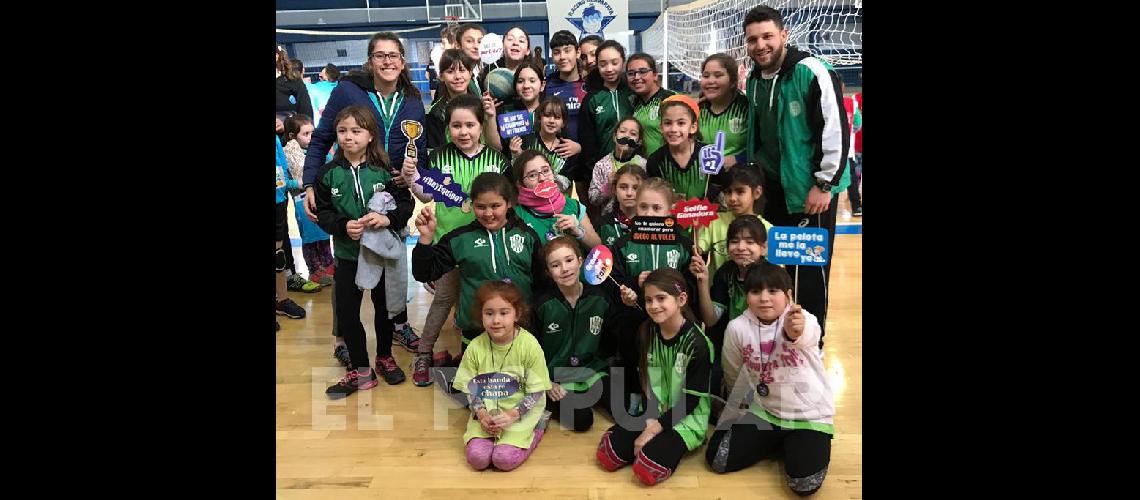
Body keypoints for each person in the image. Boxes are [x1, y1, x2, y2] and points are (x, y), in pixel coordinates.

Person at [301, 32, 427, 353]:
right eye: (380, 55)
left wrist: (413, 178)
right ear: (370, 61)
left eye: (393, 55)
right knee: (347, 267)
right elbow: (320, 139)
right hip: (351, 188)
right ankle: (343, 337)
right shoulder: (347, 90)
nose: (387, 61)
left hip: (393, 193)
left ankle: (397, 325)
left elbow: (419, 151)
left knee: (393, 266)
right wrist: (309, 183)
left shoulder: (412, 99)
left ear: (402, 61)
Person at [743, 5, 851, 347]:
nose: (761, 45)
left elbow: (836, 129)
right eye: (753, 39)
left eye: (767, 37)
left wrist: (824, 184)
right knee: (776, 270)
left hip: (810, 194)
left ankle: (811, 346)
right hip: (772, 192)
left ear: (784, 35)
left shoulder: (812, 71)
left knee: (810, 278)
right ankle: (779, 342)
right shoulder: (756, 80)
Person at [402, 94, 510, 386]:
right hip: (447, 245)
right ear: (448, 127)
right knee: (444, 300)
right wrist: (410, 177)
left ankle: (476, 356)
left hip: (486, 244)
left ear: (480, 126)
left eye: (470, 125)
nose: (464, 132)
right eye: (456, 126)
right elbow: (426, 194)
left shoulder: (496, 159)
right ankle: (424, 353)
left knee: (482, 300)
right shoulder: (438, 156)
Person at [707, 262, 834, 497]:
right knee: (717, 458)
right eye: (756, 292)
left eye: (773, 291)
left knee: (804, 484)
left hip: (808, 416)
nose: (764, 298)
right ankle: (780, 442)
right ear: (747, 297)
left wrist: (792, 332)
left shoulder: (803, 319)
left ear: (788, 295)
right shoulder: (737, 327)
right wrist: (740, 407)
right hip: (766, 412)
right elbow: (733, 370)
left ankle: (794, 442)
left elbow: (806, 336)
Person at [313, 105, 415, 397]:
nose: (349, 137)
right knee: (347, 313)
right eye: (342, 131)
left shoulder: (385, 171)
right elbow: (324, 212)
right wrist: (343, 225)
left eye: (356, 131)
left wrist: (387, 219)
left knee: (384, 310)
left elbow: (405, 206)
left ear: (370, 135)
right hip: (347, 256)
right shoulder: (327, 174)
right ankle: (361, 370)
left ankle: (385, 356)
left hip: (379, 256)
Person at [595, 268, 713, 486]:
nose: (654, 306)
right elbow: (645, 379)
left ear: (681, 299)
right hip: (653, 412)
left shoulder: (698, 344)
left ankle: (683, 442)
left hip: (685, 419)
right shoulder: (647, 331)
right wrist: (647, 420)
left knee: (646, 471)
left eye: (661, 298)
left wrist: (651, 431)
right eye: (648, 300)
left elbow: (690, 401)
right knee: (607, 456)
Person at [411, 172, 547, 351]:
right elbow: (423, 273)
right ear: (472, 205)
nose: (488, 213)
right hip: (475, 332)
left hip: (522, 329)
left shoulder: (527, 236)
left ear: (509, 204)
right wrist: (426, 239)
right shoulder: (460, 239)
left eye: (495, 206)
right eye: (481, 207)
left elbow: (541, 283)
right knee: (478, 379)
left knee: (519, 378)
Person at [454, 281, 552, 471]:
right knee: (477, 459)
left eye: (504, 313)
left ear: (517, 314)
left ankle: (539, 427)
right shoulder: (475, 347)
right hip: (487, 413)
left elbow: (537, 391)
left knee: (504, 459)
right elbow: (471, 390)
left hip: (520, 410)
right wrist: (482, 415)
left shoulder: (530, 346)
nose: (496, 320)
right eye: (489, 313)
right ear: (481, 315)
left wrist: (513, 415)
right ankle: (491, 437)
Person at [532, 236, 614, 431]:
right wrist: (546, 382)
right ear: (548, 272)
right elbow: (531, 349)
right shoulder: (541, 305)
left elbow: (611, 340)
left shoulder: (599, 298)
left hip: (591, 370)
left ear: (580, 261)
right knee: (582, 421)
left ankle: (593, 394)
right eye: (556, 265)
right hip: (557, 376)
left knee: (623, 408)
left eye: (569, 260)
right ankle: (545, 399)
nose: (565, 269)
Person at [577, 40, 634, 226]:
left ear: (623, 62)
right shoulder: (592, 99)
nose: (609, 68)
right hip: (605, 174)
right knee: (609, 222)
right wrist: (595, 174)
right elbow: (587, 141)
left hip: (635, 168)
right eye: (603, 64)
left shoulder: (634, 92)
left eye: (614, 62)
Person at [510, 150, 601, 248]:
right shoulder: (517, 214)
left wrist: (578, 231)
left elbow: (598, 246)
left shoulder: (573, 206)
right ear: (520, 184)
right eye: (532, 175)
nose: (542, 178)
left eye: (546, 171)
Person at [698, 53, 750, 170]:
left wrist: (739, 159)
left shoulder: (746, 107)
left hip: (740, 180)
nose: (711, 81)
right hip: (706, 182)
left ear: (732, 81)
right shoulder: (697, 111)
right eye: (706, 76)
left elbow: (762, 146)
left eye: (718, 75)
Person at [276, 135, 307, 329]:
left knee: (278, 255)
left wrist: (292, 184)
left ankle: (282, 300)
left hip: (278, 199)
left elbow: (282, 169)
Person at [588, 117, 647, 216]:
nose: (627, 136)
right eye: (623, 131)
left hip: (638, 221)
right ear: (615, 136)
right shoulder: (601, 165)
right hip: (611, 222)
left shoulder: (643, 165)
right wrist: (607, 186)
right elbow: (593, 199)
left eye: (633, 134)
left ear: (639, 141)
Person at [626, 53, 676, 158]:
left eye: (643, 72)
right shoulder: (631, 102)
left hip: (666, 168)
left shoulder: (670, 99)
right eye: (631, 73)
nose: (636, 77)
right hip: (641, 168)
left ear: (655, 75)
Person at [544, 30, 586, 143]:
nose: (562, 57)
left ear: (577, 52)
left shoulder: (589, 85)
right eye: (557, 52)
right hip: (554, 154)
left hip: (585, 154)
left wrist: (580, 147)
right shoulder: (546, 86)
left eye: (567, 51)